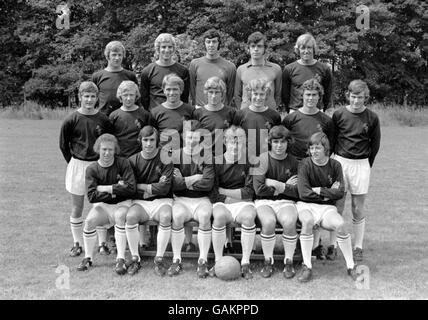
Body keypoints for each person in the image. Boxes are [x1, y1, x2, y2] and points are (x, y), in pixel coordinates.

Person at [282, 78, 334, 259]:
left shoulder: (326, 120)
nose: (310, 98)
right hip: (295, 165)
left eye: (314, 95)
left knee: (316, 202)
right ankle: (297, 240)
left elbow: (330, 145)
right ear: (301, 96)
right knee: (297, 203)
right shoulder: (291, 118)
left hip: (317, 166)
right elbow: (283, 142)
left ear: (319, 97)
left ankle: (316, 245)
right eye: (307, 95)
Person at [59, 81, 113, 258]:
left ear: (97, 98)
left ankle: (102, 243)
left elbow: (108, 141)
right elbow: (63, 145)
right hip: (77, 164)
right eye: (86, 96)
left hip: (98, 165)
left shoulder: (104, 119)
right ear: (80, 97)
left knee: (100, 205)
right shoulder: (71, 119)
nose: (89, 100)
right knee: (77, 206)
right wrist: (74, 161)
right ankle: (77, 243)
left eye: (92, 96)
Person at [296, 132, 357, 282]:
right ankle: (307, 266)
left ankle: (351, 266)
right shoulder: (304, 164)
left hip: (327, 208)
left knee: (341, 225)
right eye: (311, 148)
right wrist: (328, 192)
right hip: (306, 206)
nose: (314, 151)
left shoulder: (335, 165)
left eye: (318, 148)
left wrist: (320, 190)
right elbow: (303, 193)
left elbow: (339, 192)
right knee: (308, 222)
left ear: (326, 149)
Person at [332, 80, 381, 262]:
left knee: (357, 208)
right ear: (348, 95)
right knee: (337, 205)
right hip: (341, 162)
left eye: (360, 97)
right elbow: (332, 139)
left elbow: (374, 145)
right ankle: (333, 244)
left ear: (365, 98)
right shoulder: (338, 114)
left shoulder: (372, 117)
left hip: (361, 164)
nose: (356, 101)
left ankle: (358, 246)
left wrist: (366, 164)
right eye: (353, 97)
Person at [77, 134, 136, 273]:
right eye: (104, 149)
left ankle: (120, 259)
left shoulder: (123, 163)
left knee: (120, 216)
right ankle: (88, 258)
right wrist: (118, 188)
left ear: (115, 150)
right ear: (98, 149)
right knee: (90, 221)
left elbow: (131, 189)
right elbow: (92, 196)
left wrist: (107, 188)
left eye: (110, 149)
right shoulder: (92, 169)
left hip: (122, 203)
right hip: (103, 205)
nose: (107, 152)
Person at [124, 126, 174, 276]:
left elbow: (164, 188)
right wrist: (150, 188)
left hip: (162, 200)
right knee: (130, 217)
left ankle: (159, 259)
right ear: (140, 141)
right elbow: (130, 187)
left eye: (152, 140)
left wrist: (142, 187)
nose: (148, 144)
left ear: (157, 141)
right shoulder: (132, 160)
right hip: (140, 202)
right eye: (145, 140)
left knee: (166, 216)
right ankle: (135, 258)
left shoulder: (166, 159)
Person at [168, 120, 215, 278]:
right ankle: (176, 259)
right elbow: (174, 185)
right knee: (178, 216)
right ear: (183, 136)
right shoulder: (175, 155)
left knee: (204, 217)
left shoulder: (207, 155)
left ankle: (202, 260)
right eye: (189, 138)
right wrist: (195, 177)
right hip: (181, 199)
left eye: (195, 138)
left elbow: (208, 184)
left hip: (202, 199)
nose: (192, 141)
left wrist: (184, 181)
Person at [252, 125, 300, 278]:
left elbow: (297, 191)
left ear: (288, 143)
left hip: (286, 202)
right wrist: (285, 186)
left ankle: (289, 261)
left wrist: (276, 184)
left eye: (283, 142)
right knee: (268, 222)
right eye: (276, 142)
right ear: (270, 142)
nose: (279, 146)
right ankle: (268, 261)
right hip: (263, 201)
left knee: (289, 221)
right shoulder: (261, 159)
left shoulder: (294, 162)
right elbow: (259, 189)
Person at [210, 125, 256, 279]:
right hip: (222, 203)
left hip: (244, 204)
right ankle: (218, 261)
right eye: (232, 142)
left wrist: (224, 191)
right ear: (224, 142)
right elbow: (213, 193)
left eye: (239, 142)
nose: (235, 146)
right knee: (219, 217)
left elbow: (249, 192)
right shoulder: (216, 161)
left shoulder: (250, 161)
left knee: (249, 217)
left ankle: (245, 262)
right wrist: (233, 196)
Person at [282, 33, 333, 113]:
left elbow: (328, 94)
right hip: (295, 111)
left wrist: (323, 110)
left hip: (317, 112)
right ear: (298, 50)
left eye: (309, 47)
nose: (306, 51)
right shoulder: (289, 69)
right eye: (303, 48)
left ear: (314, 49)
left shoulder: (324, 69)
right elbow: (285, 95)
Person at [234, 79, 281, 161]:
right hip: (244, 159)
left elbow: (277, 139)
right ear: (249, 94)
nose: (258, 98)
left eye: (262, 94)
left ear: (266, 95)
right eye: (255, 94)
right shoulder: (240, 115)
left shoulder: (274, 116)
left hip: (267, 159)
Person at [140, 33, 190, 111]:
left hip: (178, 114)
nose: (167, 50)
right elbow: (144, 98)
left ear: (173, 49)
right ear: (158, 49)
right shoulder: (148, 71)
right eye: (163, 47)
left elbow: (185, 97)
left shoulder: (183, 71)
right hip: (155, 116)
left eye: (170, 47)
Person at [189, 29, 236, 108]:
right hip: (200, 111)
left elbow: (230, 94)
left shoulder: (230, 67)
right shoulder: (195, 64)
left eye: (214, 41)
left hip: (221, 112)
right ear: (204, 43)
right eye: (208, 42)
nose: (211, 45)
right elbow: (192, 89)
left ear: (219, 43)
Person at [234, 32, 282, 110]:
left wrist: (272, 109)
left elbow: (278, 95)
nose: (256, 49)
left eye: (259, 46)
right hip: (246, 115)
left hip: (269, 115)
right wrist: (242, 112)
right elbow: (237, 96)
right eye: (253, 46)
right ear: (248, 49)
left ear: (265, 49)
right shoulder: (241, 69)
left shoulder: (276, 69)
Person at [92, 41, 139, 117]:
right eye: (114, 55)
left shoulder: (130, 76)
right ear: (108, 56)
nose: (117, 58)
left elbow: (137, 99)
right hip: (104, 118)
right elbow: (93, 100)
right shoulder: (97, 76)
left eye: (120, 55)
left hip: (126, 117)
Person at [109, 81, 155, 158]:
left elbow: (151, 136)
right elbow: (110, 139)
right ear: (120, 96)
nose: (128, 98)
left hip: (140, 157)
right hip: (120, 158)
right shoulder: (114, 116)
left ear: (136, 96)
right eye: (125, 95)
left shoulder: (145, 115)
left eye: (131, 95)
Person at [150, 73, 194, 150]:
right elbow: (153, 137)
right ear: (163, 90)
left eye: (175, 89)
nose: (171, 93)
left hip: (184, 156)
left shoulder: (190, 110)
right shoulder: (155, 113)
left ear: (181, 90)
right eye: (168, 89)